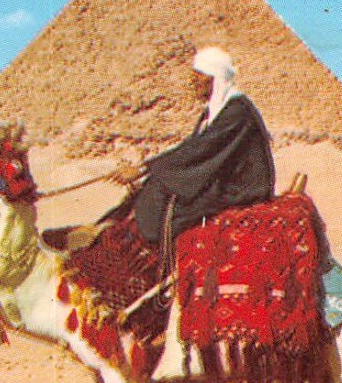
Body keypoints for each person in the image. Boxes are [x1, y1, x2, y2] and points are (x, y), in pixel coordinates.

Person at [110, 46, 275, 245]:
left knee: (163, 208)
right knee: (154, 187)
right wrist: (149, 170)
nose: (193, 80)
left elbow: (201, 150)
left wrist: (143, 168)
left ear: (215, 78)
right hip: (222, 181)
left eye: (200, 74)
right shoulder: (215, 111)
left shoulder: (237, 111)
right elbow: (193, 147)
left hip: (240, 188)